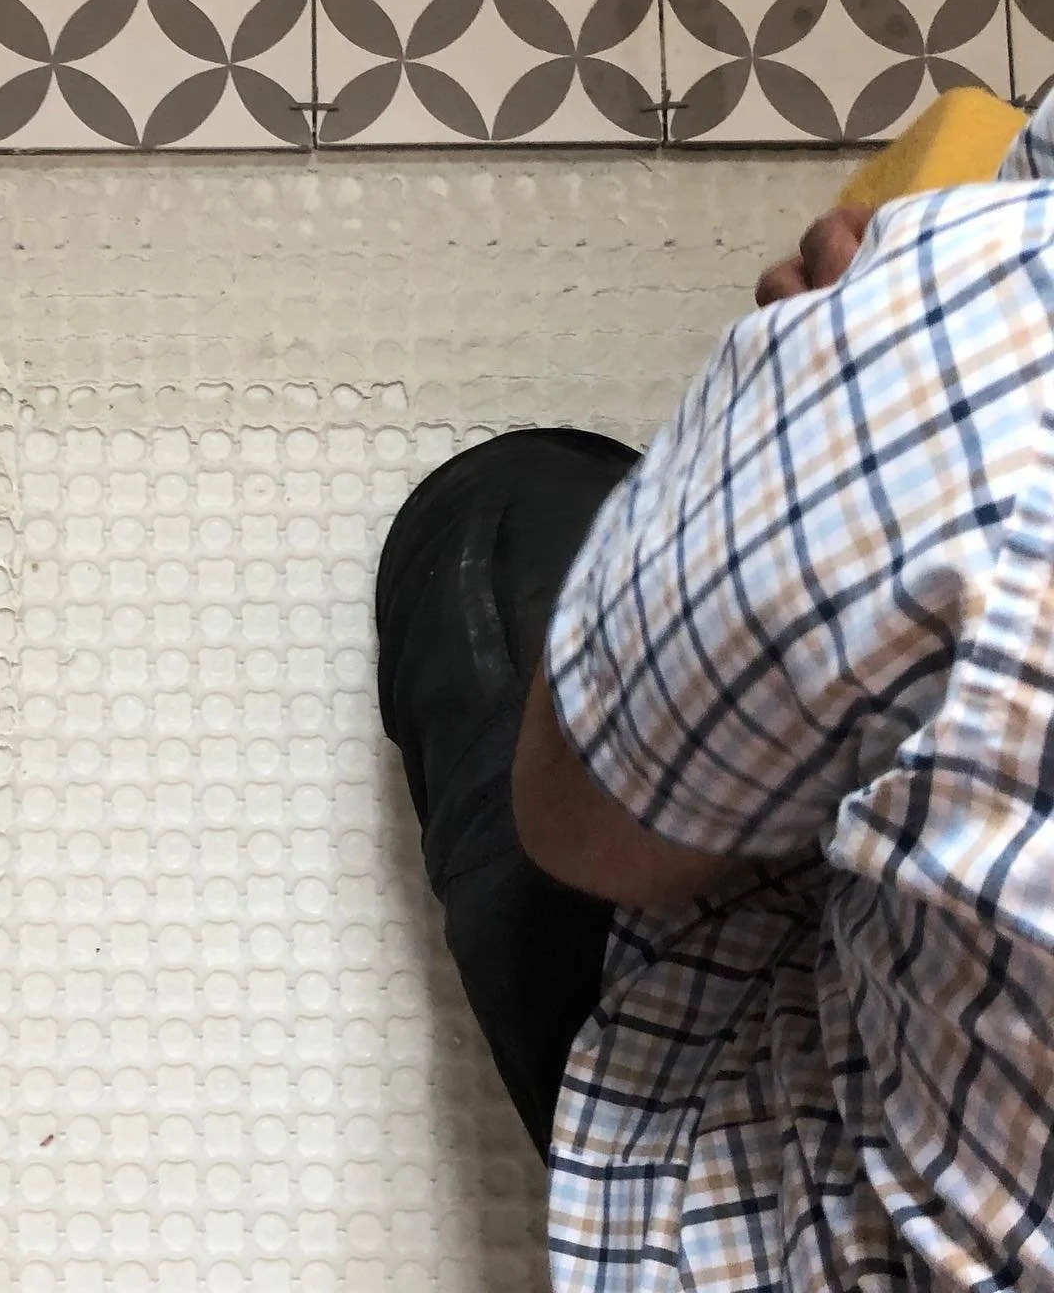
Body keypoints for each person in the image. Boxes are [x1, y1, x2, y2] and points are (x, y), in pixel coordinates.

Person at [376, 90, 1054, 1291]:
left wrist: (806, 408)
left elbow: (583, 828)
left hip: (798, 1206)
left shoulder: (1008, 374)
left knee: (492, 517)